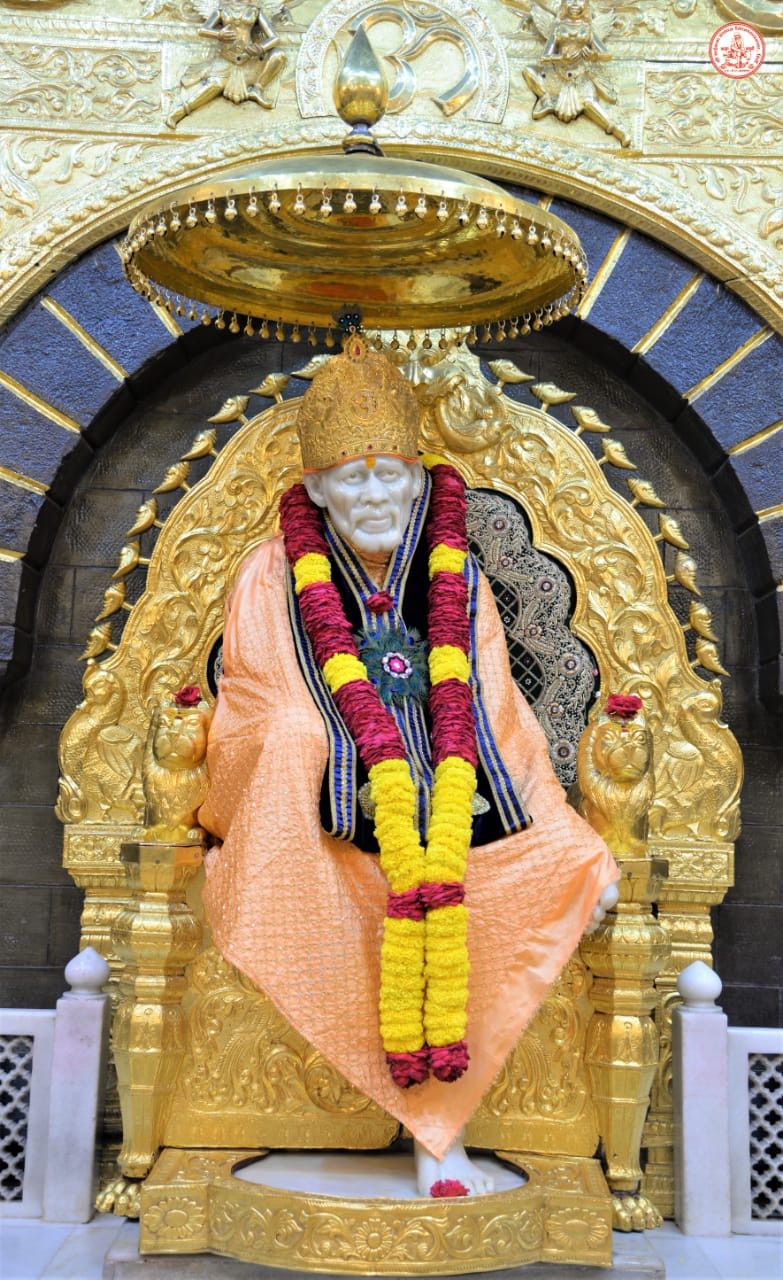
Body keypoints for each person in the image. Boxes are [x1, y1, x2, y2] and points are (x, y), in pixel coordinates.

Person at [199, 338, 619, 1196]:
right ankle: (424, 1136)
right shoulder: (272, 572)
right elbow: (260, 698)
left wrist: (557, 821)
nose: (374, 494)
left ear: (421, 480)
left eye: (392, 474)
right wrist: (335, 752)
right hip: (321, 820)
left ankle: (441, 1131)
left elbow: (501, 712)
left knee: (555, 862)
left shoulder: (457, 580)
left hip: (456, 809)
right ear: (314, 487)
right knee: (287, 738)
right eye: (352, 477)